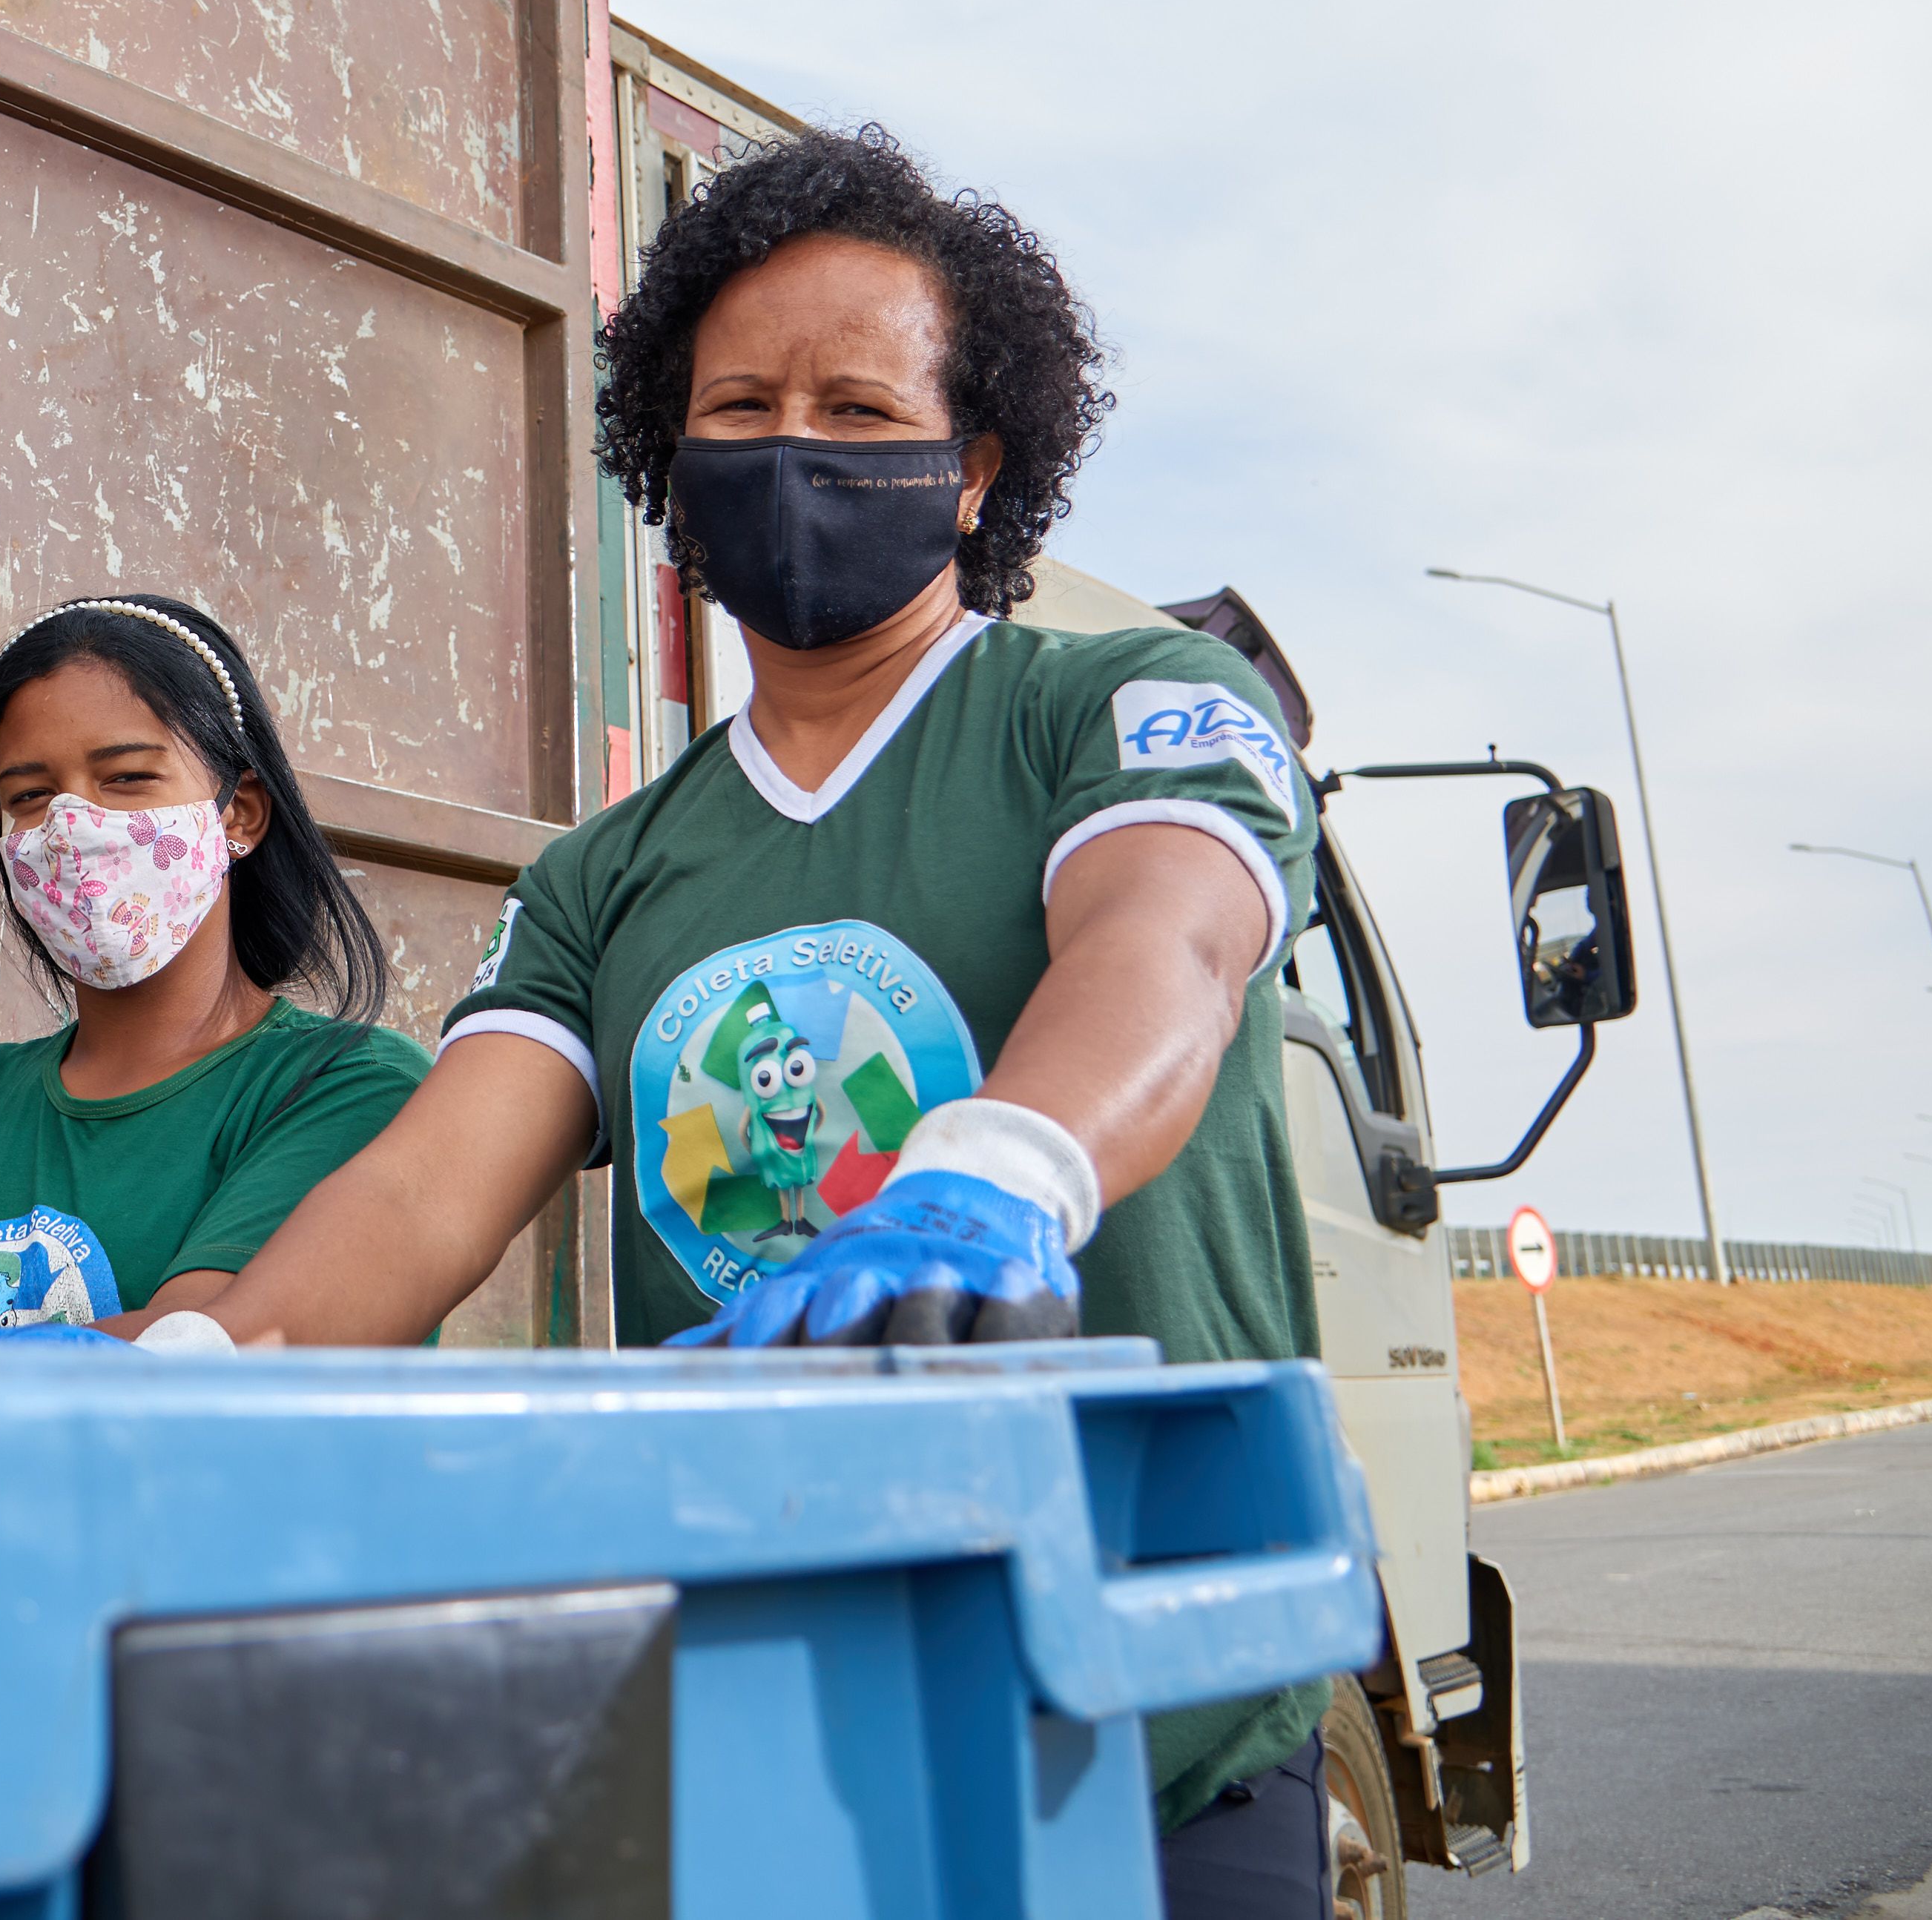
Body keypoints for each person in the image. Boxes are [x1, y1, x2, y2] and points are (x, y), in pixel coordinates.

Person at [193, 128, 1342, 1910]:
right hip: (777, 1713)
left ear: (973, 470)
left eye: (860, 413)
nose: (790, 449)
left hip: (1141, 1707)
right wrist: (216, 1366)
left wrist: (1002, 1170)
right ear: (669, 460)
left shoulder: (1124, 705)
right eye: (734, 408)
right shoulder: (606, 875)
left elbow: (1166, 949)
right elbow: (427, 1194)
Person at [0, 597, 429, 1342]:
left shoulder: (351, 1088)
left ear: (239, 812)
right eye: (30, 794)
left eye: (125, 778)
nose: (71, 825)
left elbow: (189, 1356)